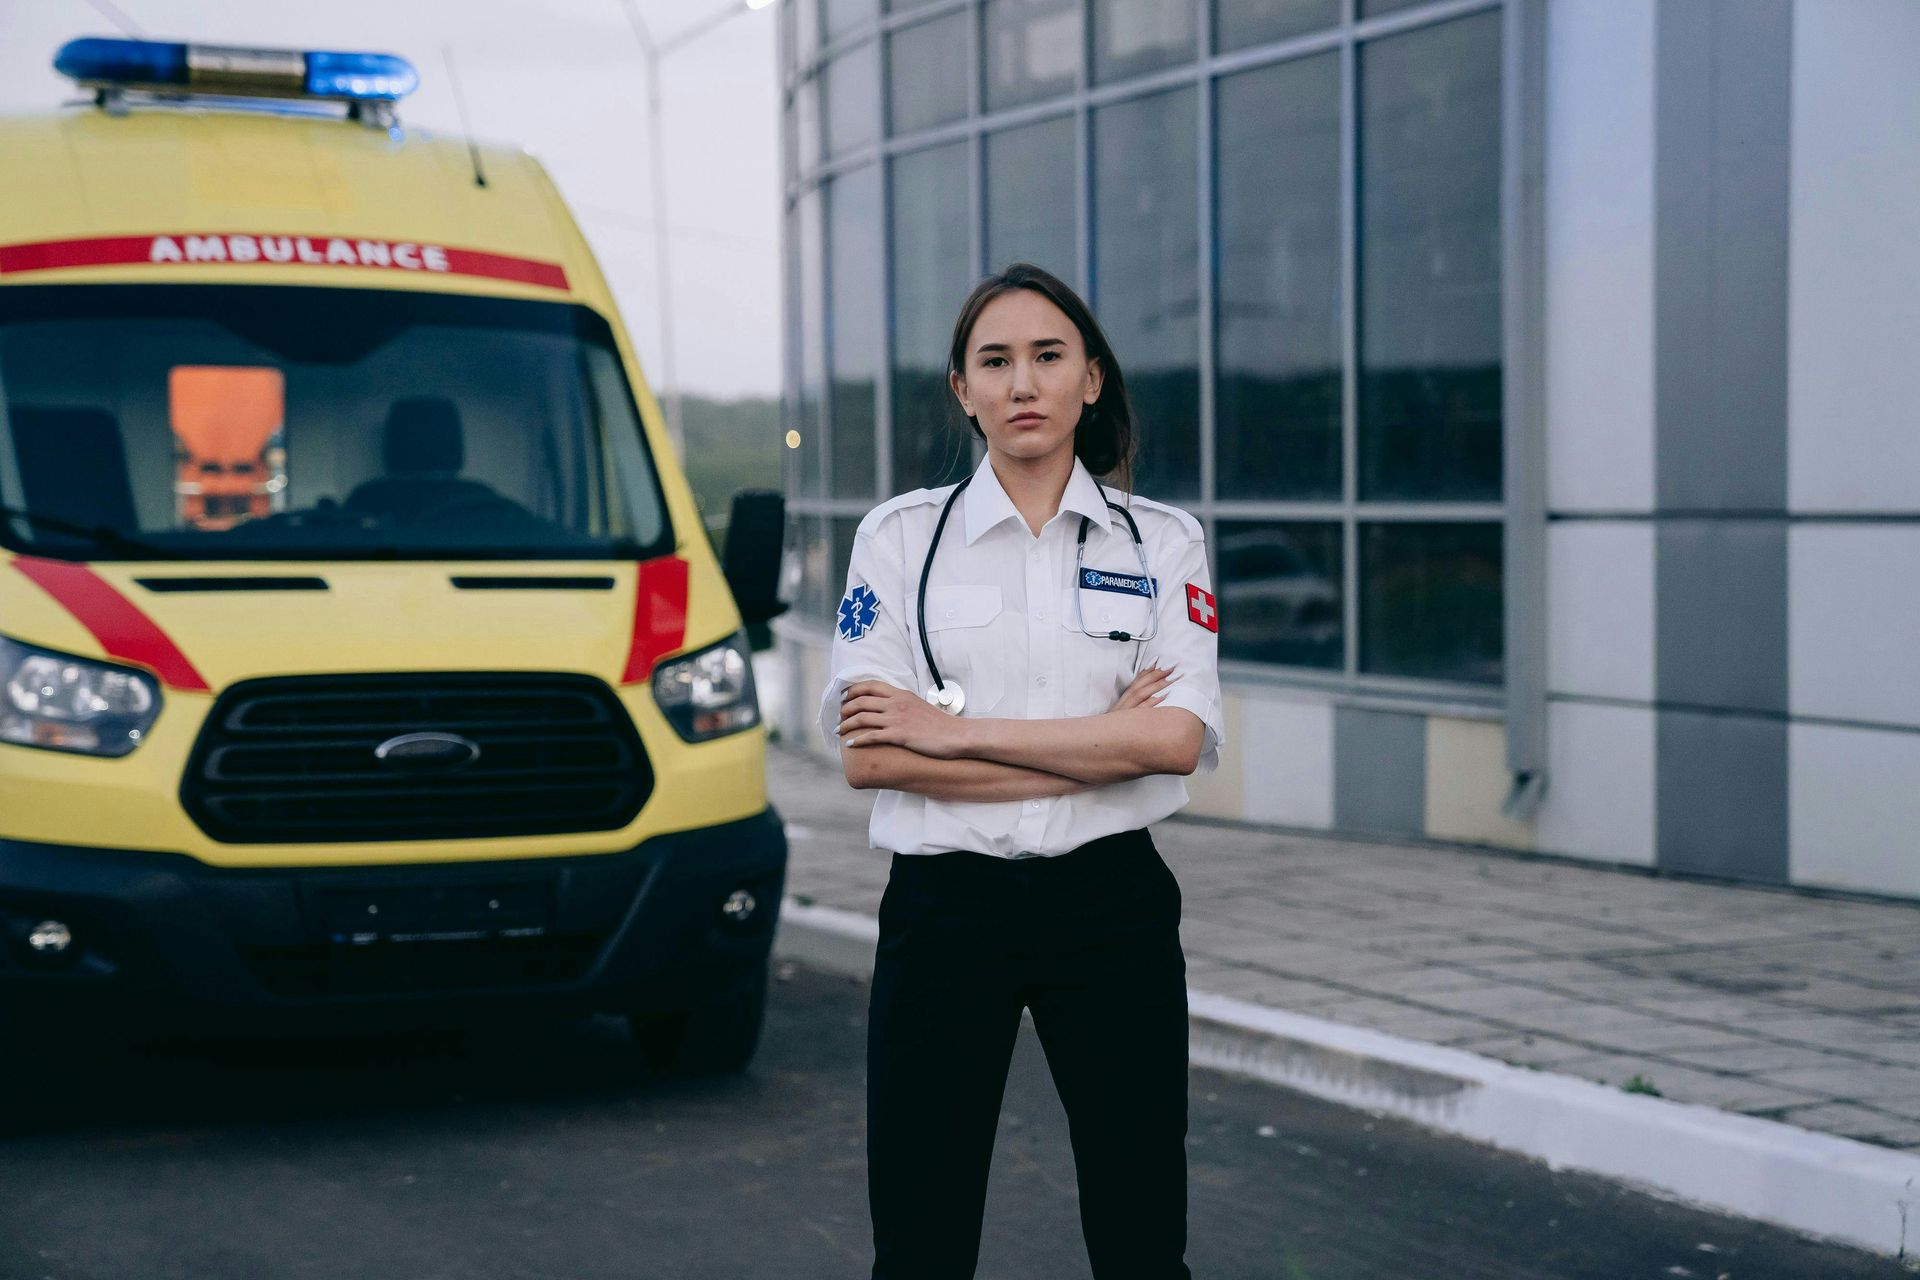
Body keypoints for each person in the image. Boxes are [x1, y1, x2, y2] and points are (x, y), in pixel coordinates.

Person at [816, 262, 1224, 1280]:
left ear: (1091, 377)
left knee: (1141, 1237)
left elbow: (1172, 742)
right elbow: (871, 754)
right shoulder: (901, 540)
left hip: (1111, 907)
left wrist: (949, 734)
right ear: (963, 388)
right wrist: (1099, 749)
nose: (1022, 382)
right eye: (994, 361)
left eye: (1048, 355)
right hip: (945, 912)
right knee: (920, 1236)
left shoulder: (1164, 542)